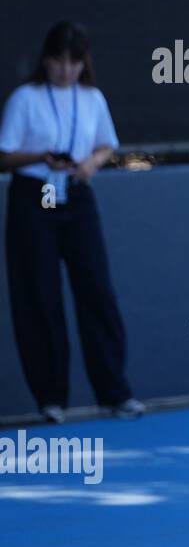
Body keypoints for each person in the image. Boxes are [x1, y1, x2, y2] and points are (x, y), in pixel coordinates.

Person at [0, 21, 144, 423]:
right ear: (45, 61)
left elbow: (105, 144)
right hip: (36, 196)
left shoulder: (92, 98)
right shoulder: (25, 99)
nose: (65, 70)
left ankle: (115, 392)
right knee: (40, 295)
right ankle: (51, 398)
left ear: (84, 64)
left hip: (77, 196)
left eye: (73, 62)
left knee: (97, 289)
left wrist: (90, 164)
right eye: (58, 61)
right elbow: (4, 153)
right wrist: (40, 157)